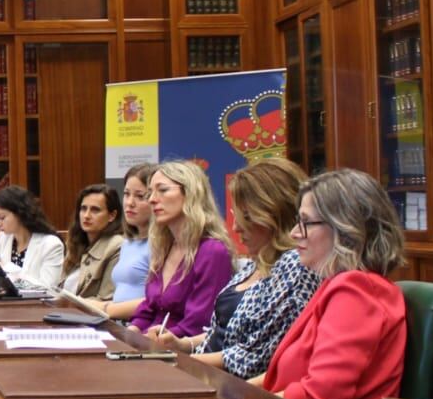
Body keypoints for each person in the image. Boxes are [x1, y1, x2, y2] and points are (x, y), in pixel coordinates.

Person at [263, 169, 407, 399]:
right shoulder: (341, 285)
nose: (295, 234)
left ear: (347, 228)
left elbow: (321, 396)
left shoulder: (356, 290)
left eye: (306, 223)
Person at [149, 159, 320, 379]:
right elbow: (222, 334)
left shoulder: (296, 268)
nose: (237, 226)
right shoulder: (255, 264)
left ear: (275, 215)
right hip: (205, 375)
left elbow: (254, 358)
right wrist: (182, 345)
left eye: (246, 217)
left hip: (233, 391)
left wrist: (177, 360)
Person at [129, 160, 234, 337]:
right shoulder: (164, 246)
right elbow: (148, 308)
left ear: (190, 194)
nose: (152, 200)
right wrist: (130, 332)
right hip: (149, 345)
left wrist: (149, 342)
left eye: (162, 190)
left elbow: (198, 325)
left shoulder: (212, 251)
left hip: (181, 352)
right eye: (150, 193)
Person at [0, 185, 64, 289]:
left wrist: (6, 269)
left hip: (36, 305)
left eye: (2, 217)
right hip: (7, 301)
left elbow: (48, 287)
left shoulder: (51, 245)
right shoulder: (6, 237)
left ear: (20, 213)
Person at [98, 163, 156, 318]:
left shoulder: (159, 245)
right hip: (117, 321)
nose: (130, 203)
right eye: (126, 194)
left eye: (140, 196)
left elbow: (156, 301)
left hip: (140, 325)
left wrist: (104, 308)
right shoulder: (127, 243)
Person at [61, 183, 124, 299]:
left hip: (90, 315)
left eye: (95, 210)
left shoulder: (116, 246)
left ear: (112, 215)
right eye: (83, 208)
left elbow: (105, 298)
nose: (86, 215)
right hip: (64, 312)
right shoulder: (76, 242)